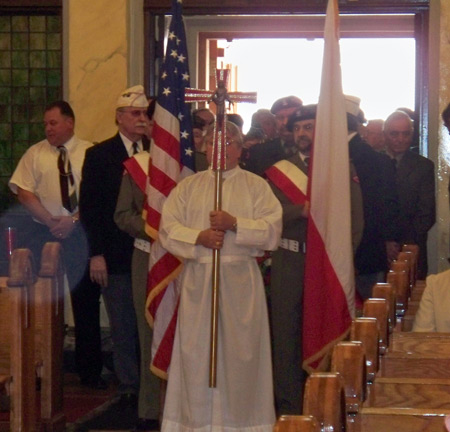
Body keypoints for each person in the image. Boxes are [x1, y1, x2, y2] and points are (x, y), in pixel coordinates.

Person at [159, 121, 282, 432]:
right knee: (196, 352)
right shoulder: (188, 187)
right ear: (204, 148)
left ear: (240, 149)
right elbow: (168, 229)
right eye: (214, 143)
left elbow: (272, 232)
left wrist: (235, 223)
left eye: (228, 143)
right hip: (200, 280)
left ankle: (242, 423)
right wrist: (198, 237)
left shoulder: (256, 186)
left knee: (242, 357)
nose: (220, 149)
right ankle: (195, 423)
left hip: (240, 281)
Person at [265, 104, 364, 415]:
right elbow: (267, 214)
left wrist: (342, 259)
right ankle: (291, 407)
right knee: (286, 337)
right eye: (297, 129)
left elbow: (355, 219)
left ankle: (325, 404)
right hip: (289, 261)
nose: (302, 134)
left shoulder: (340, 167)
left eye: (308, 127)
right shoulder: (279, 170)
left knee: (326, 329)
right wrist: (301, 210)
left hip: (326, 264)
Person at [8, 100, 105, 389]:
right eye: (45, 124)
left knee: (85, 303)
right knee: (40, 302)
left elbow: (97, 197)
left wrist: (73, 220)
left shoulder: (91, 152)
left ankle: (90, 373)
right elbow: (24, 192)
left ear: (69, 123)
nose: (47, 128)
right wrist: (51, 221)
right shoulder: (35, 154)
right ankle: (37, 371)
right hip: (44, 232)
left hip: (80, 233)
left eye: (53, 122)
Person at [79, 85, 149, 410]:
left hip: (152, 253)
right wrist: (95, 254)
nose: (141, 119)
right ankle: (130, 386)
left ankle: (152, 384)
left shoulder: (159, 154)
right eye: (135, 113)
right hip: (116, 254)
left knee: (149, 320)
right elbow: (90, 210)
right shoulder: (99, 156)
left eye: (145, 113)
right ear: (119, 117)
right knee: (122, 323)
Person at [114, 105, 161, 430]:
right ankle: (151, 407)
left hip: (187, 257)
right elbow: (122, 215)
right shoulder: (136, 167)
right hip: (146, 254)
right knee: (148, 334)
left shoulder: (194, 164)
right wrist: (151, 228)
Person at [346, 96, 401, 300]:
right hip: (370, 254)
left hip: (356, 254)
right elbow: (389, 207)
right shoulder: (379, 161)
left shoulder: (344, 157)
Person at [384, 110, 435, 279]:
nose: (400, 139)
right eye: (394, 134)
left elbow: (427, 213)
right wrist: (385, 242)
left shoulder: (423, 166)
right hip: (377, 251)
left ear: (412, 135)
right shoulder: (373, 163)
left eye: (405, 134)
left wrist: (401, 244)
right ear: (385, 134)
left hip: (411, 247)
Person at [243, 96, 302, 176]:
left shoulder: (313, 150)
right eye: (280, 118)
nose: (285, 122)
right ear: (275, 121)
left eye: (290, 117)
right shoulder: (258, 152)